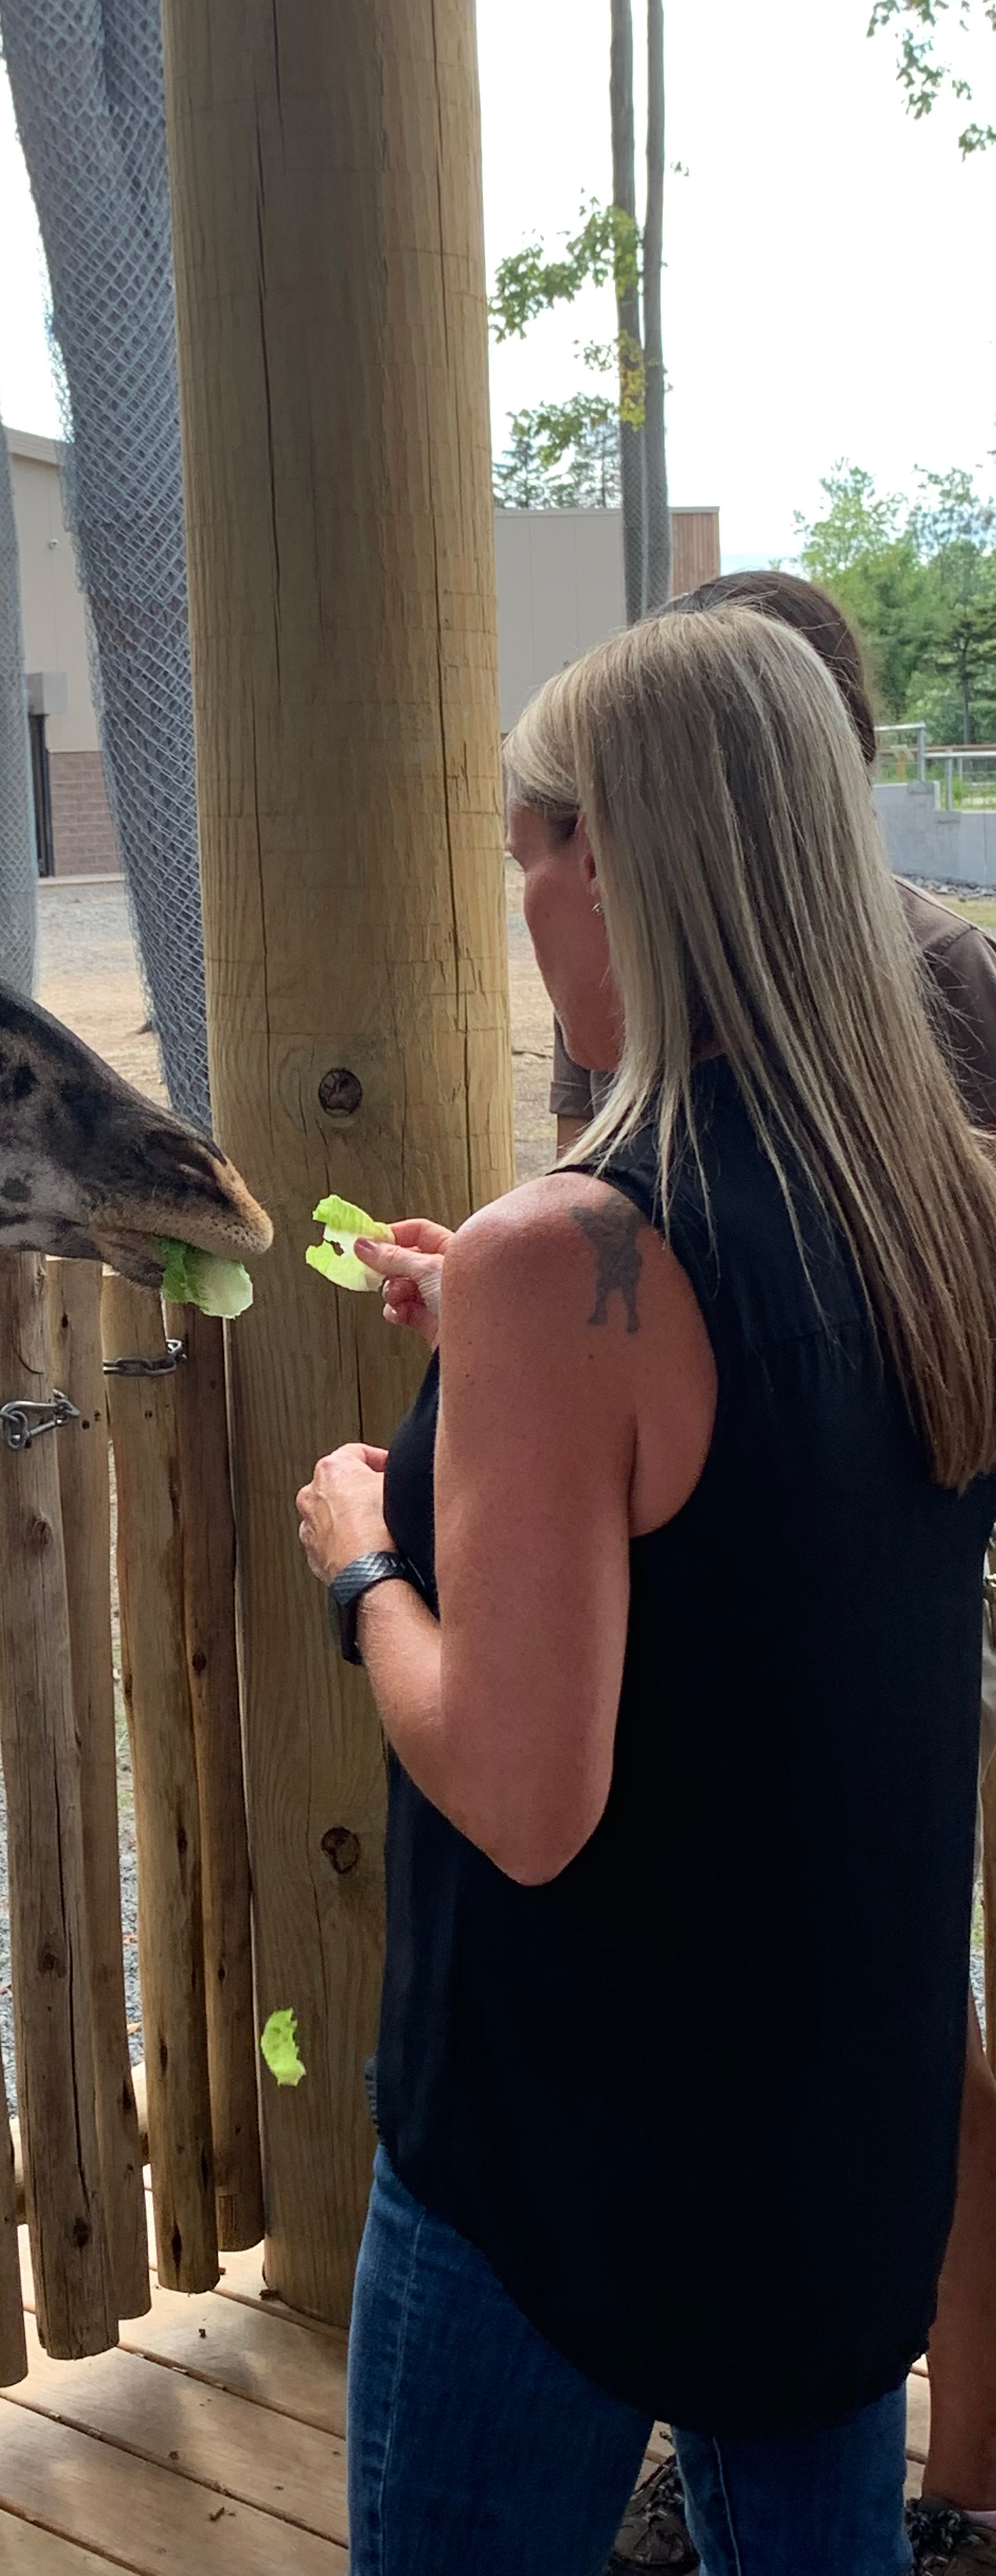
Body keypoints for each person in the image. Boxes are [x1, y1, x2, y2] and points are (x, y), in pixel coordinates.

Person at [296, 605, 996, 2576]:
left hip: (564, 2157)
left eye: (529, 847)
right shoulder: (950, 1196)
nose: (522, 898)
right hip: (834, 2120)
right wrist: (495, 1362)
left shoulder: (573, 1258)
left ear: (611, 859)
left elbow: (528, 1802)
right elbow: (783, 1503)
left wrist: (367, 1558)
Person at [548, 571, 996, 2576]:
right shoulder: (648, 1033)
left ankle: (959, 2470)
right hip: (837, 1578)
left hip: (902, 1572)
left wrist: (374, 1560)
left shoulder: (957, 982)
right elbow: (635, 1270)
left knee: (928, 2023)